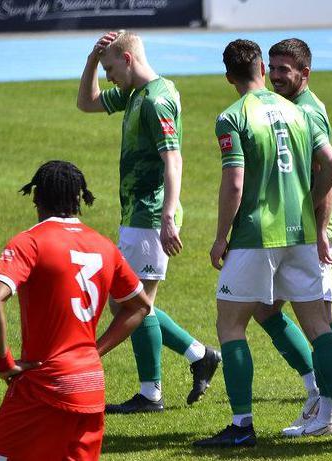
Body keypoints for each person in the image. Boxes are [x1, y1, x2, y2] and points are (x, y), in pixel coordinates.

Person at [193, 39, 332, 447]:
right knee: (319, 326)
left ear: (228, 77)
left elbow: (235, 182)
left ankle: (241, 426)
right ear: (259, 66)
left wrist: (221, 237)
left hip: (256, 236)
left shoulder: (232, 116)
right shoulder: (296, 110)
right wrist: (309, 205)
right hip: (303, 235)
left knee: (230, 324)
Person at [76, 30, 221, 413]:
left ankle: (152, 392)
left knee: (132, 306)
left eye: (109, 68)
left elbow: (173, 159)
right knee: (135, 304)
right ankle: (198, 355)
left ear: (127, 60)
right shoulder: (134, 94)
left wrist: (168, 215)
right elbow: (87, 103)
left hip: (151, 213)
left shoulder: (155, 99)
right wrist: (93, 58)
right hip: (137, 212)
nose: (107, 76)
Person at [0, 161, 152, 461]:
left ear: (36, 197)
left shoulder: (29, 243)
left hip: (44, 383)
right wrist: (93, 351)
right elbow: (140, 306)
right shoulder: (104, 246)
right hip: (90, 384)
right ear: (79, 199)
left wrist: (3, 363)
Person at [260, 37, 332, 437]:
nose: (275, 76)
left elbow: (329, 172)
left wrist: (322, 230)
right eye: (272, 68)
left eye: (283, 70)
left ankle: (328, 411)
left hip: (313, 234)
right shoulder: (288, 107)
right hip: (293, 231)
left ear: (304, 73)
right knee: (266, 309)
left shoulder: (308, 111)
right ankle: (317, 392)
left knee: (320, 321)